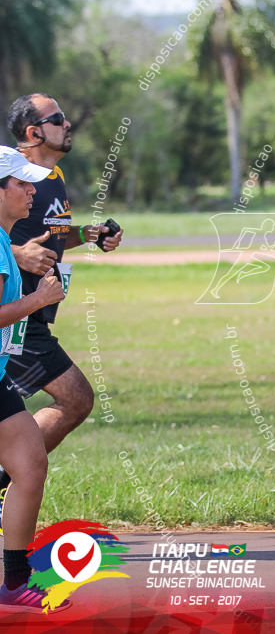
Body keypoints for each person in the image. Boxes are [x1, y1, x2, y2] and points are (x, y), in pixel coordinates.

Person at [0, 94, 123, 505]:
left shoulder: (52, 178)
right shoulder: (8, 177)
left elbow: (52, 234)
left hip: (32, 314)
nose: (68, 124)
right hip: (12, 318)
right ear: (33, 132)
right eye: (57, 119)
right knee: (76, 397)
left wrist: (87, 234)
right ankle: (8, 477)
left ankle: (11, 474)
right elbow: (12, 245)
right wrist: (18, 256)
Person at [0, 147, 67, 609]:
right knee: (28, 463)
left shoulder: (5, 240)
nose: (31, 191)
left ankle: (14, 581)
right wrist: (38, 300)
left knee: (29, 463)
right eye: (21, 183)